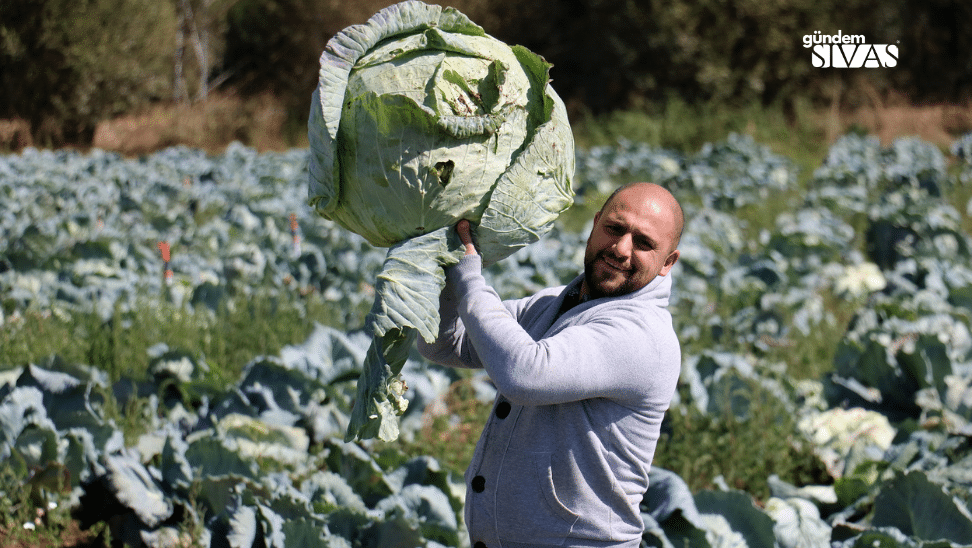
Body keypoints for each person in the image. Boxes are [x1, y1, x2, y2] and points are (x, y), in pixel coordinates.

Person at [418, 181, 684, 548]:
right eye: (614, 228)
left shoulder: (642, 336)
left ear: (668, 262)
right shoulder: (556, 304)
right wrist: (445, 269)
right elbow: (448, 343)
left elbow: (524, 373)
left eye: (644, 242)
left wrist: (467, 277)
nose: (622, 248)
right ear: (594, 225)